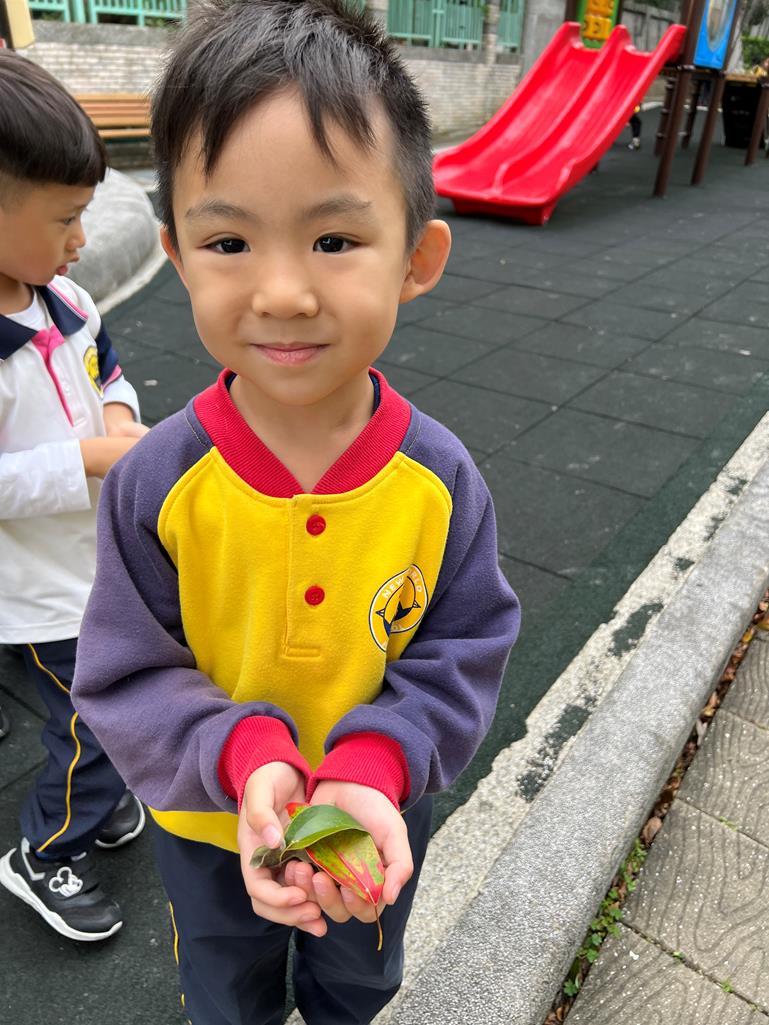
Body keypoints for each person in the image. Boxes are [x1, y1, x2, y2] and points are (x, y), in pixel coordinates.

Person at [71, 1, 520, 1022]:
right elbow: (126, 669)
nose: (280, 291)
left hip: (371, 814)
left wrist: (372, 760)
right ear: (177, 256)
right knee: (224, 987)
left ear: (416, 257)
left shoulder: (439, 480)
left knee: (357, 981)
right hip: (206, 818)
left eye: (332, 238)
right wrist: (241, 754)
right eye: (229, 240)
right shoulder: (156, 481)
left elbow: (461, 649)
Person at [0, 51, 148, 942]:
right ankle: (46, 849)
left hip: (93, 561)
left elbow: (106, 366)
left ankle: (95, 789)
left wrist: (119, 415)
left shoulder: (61, 298)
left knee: (108, 700)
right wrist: (88, 456)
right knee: (90, 718)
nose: (81, 241)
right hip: (42, 587)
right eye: (64, 219)